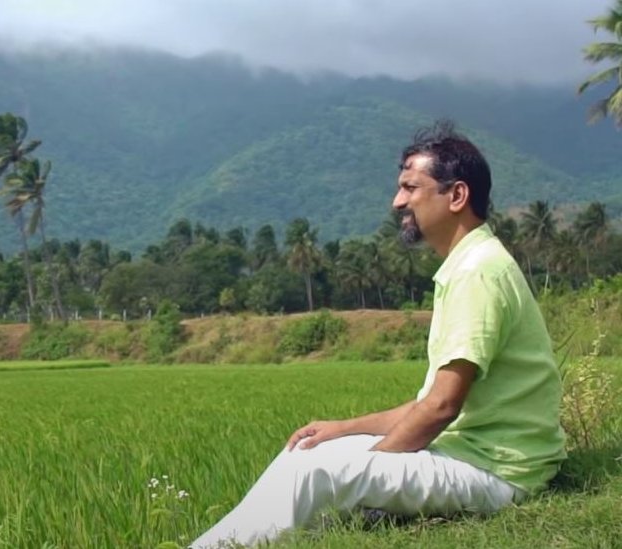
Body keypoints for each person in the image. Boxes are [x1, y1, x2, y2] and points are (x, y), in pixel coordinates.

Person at [190, 120, 566, 548]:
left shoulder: (478, 272)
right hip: (471, 454)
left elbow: (442, 406)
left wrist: (368, 473)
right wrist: (344, 428)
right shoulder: (471, 264)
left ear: (457, 195)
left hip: (497, 472)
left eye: (410, 187)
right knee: (309, 451)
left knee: (318, 471)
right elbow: (432, 402)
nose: (397, 202)